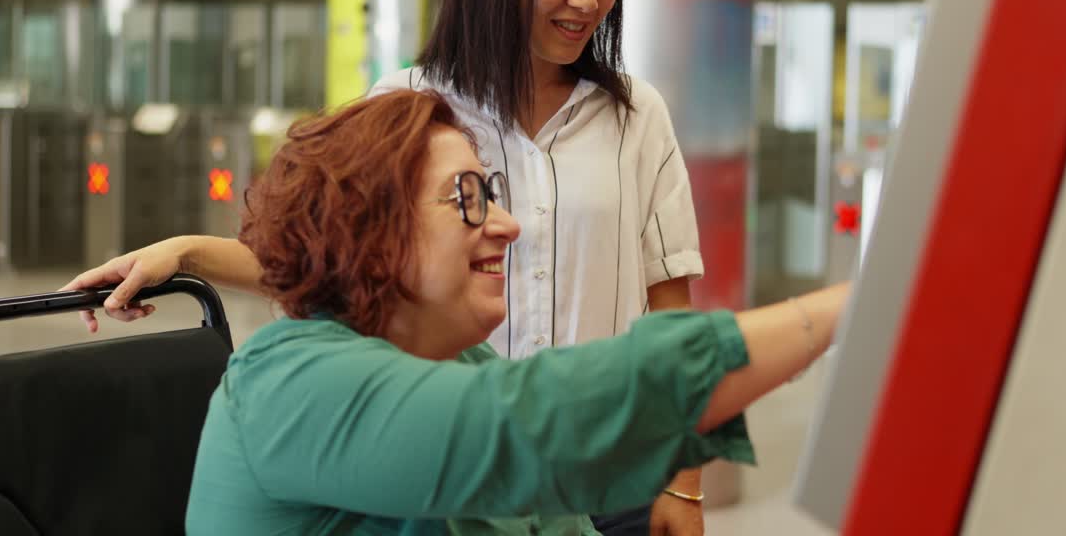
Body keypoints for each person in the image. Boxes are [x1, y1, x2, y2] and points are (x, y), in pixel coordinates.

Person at [72, 0, 706, 535]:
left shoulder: (635, 118)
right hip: (457, 466)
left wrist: (684, 485)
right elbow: (334, 268)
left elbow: (673, 318)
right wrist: (187, 254)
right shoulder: (411, 110)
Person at [179, 88, 848, 535]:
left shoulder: (451, 356)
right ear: (372, 235)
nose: (506, 225)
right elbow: (528, 426)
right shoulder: (291, 384)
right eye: (466, 198)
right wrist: (842, 314)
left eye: (491, 193)